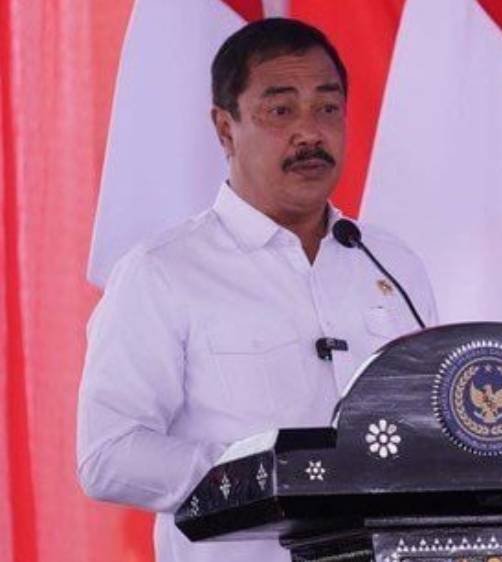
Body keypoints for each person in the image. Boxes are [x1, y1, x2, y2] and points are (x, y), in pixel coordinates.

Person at [76, 18, 437, 562]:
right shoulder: (162, 272)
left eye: (328, 108)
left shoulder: (389, 262)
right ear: (225, 128)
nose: (310, 132)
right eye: (281, 110)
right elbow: (108, 454)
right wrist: (270, 477)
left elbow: (427, 427)